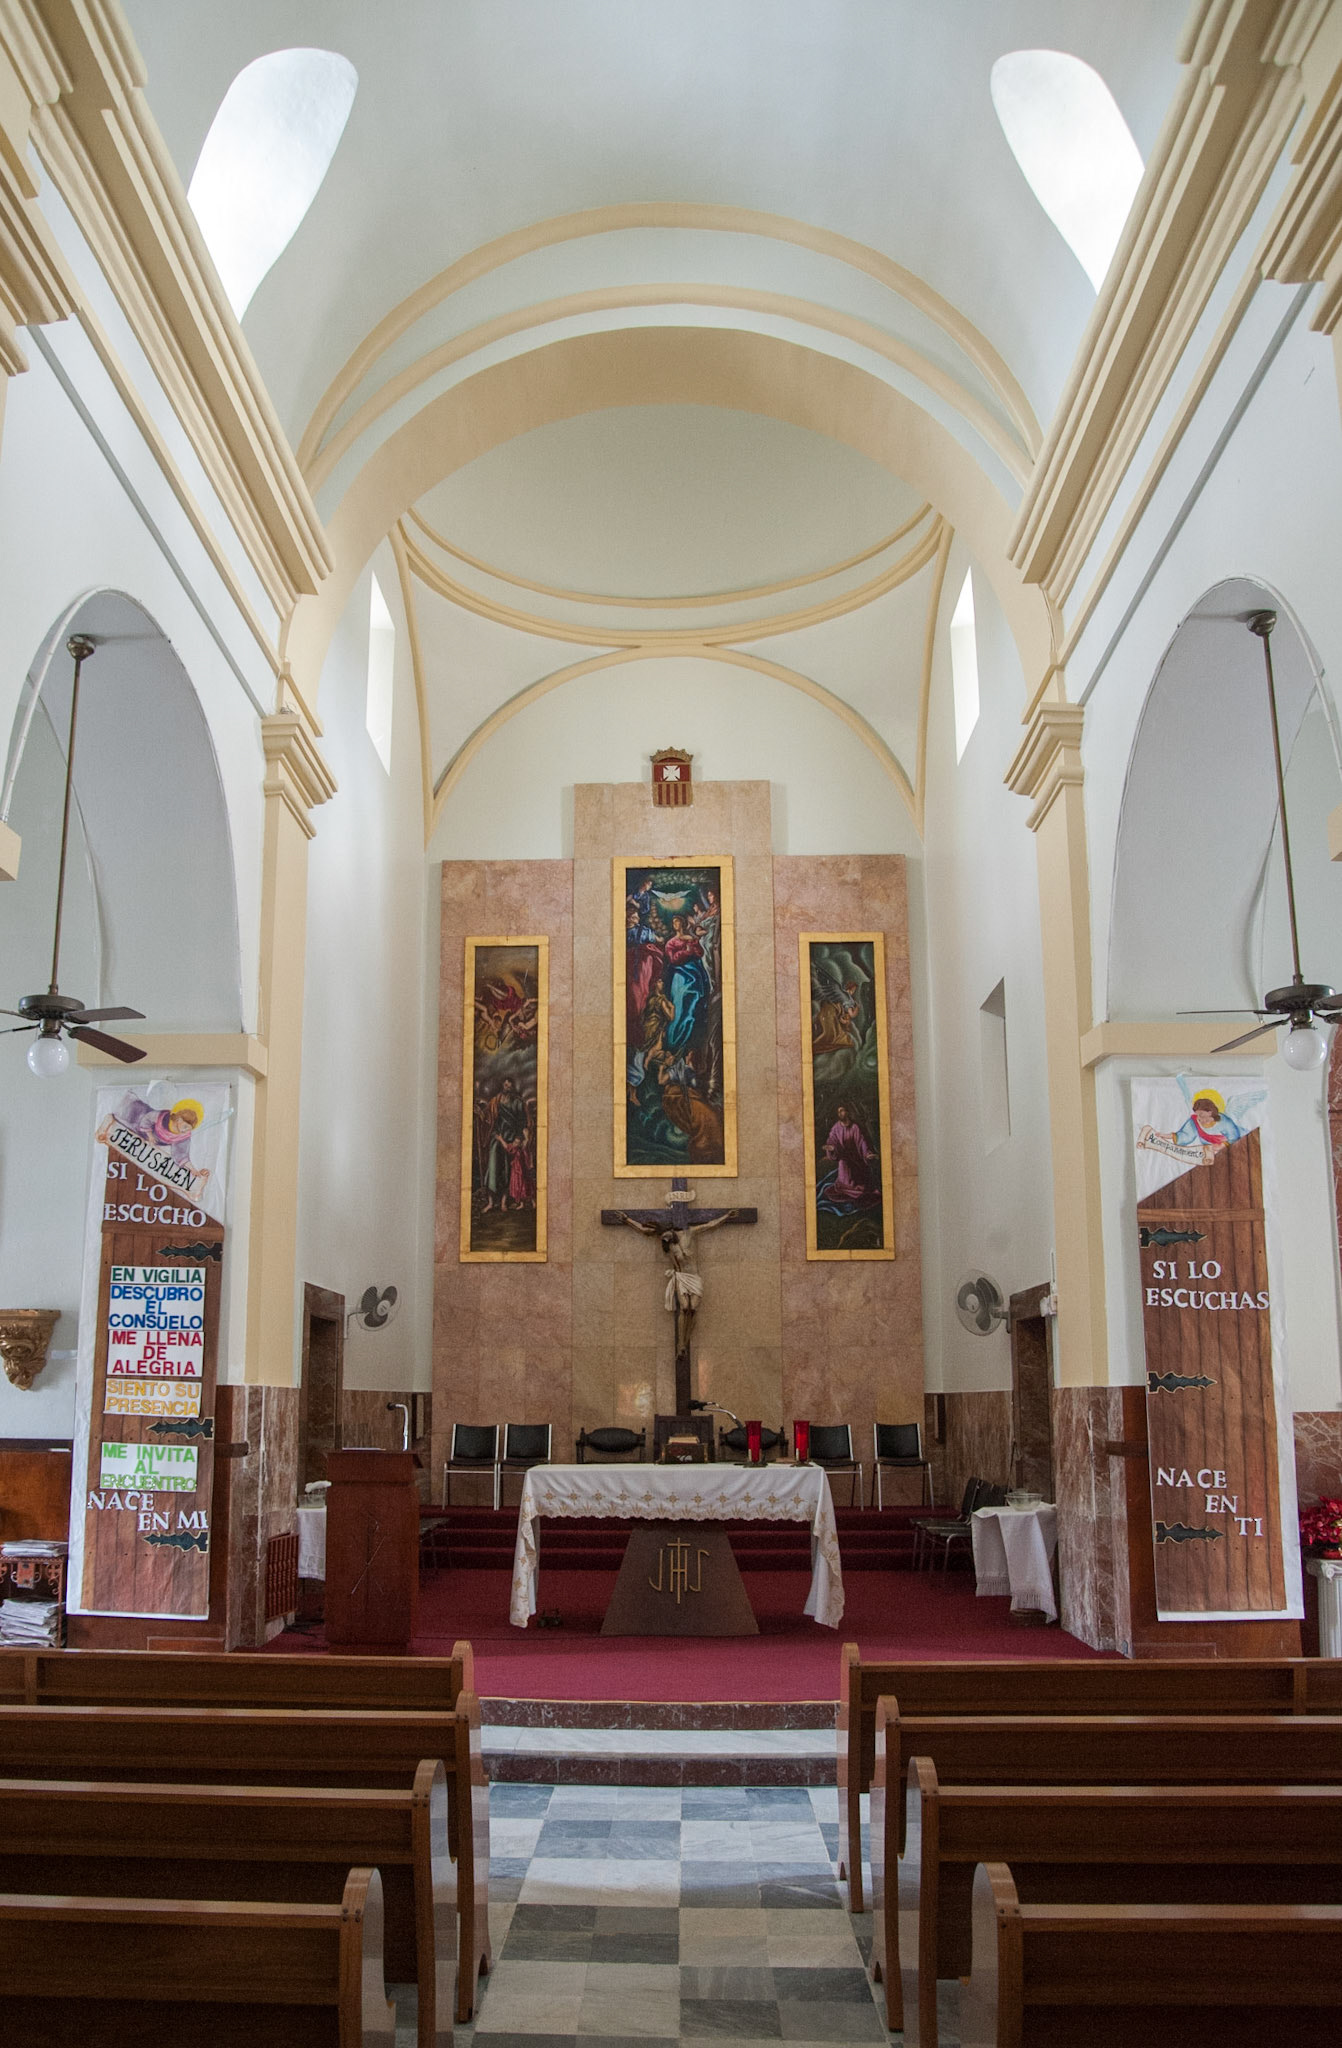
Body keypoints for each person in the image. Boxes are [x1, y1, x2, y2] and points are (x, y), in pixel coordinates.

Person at [821, 1101, 878, 1205]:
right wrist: (832, 1148)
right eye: (838, 1112)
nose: (840, 1114)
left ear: (847, 1112)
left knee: (861, 1185)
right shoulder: (836, 1128)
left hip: (856, 1159)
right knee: (844, 1184)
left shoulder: (855, 1127)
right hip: (844, 1161)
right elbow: (832, 1140)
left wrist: (867, 1154)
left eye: (842, 1111)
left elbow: (862, 1142)